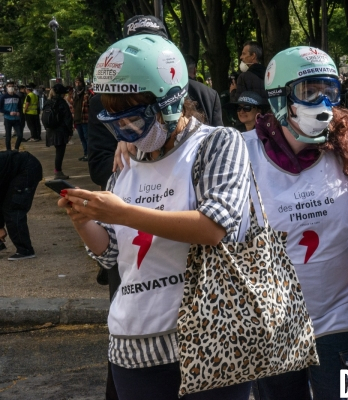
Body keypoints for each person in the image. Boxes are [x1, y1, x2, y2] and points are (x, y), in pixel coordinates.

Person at [60, 34, 252, 400]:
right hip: (132, 348)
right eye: (116, 125)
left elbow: (214, 227)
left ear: (171, 101)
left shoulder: (218, 143)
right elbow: (112, 254)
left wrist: (122, 212)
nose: (126, 133)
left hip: (210, 340)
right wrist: (84, 220)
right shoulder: (125, 164)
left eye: (132, 120)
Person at [250, 46, 348, 400]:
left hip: (340, 312)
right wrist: (128, 149)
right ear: (279, 99)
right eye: (308, 92)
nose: (322, 102)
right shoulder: (241, 152)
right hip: (272, 321)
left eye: (329, 91)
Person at [0, 150, 43, 260]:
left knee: (13, 208)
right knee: (9, 205)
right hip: (17, 170)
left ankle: (25, 250)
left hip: (27, 168)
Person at [45, 83, 73, 180]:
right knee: (60, 152)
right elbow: (67, 118)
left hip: (51, 130)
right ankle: (58, 172)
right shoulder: (62, 103)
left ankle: (58, 171)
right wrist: (70, 132)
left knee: (58, 151)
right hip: (61, 131)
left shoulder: (48, 102)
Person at [73, 76, 92, 161]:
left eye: (79, 82)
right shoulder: (75, 94)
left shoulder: (86, 94)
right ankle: (85, 154)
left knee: (87, 137)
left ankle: (89, 154)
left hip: (85, 119)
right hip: (77, 119)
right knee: (82, 138)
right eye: (76, 83)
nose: (77, 84)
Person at [1, 81, 24, 151]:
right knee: (8, 137)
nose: (11, 87)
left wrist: (19, 112)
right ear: (6, 87)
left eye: (12, 86)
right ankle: (9, 151)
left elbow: (20, 107)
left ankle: (16, 148)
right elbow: (0, 108)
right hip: (8, 119)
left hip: (16, 119)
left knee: (20, 135)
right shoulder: (3, 97)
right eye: (9, 86)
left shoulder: (17, 97)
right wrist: (8, 113)